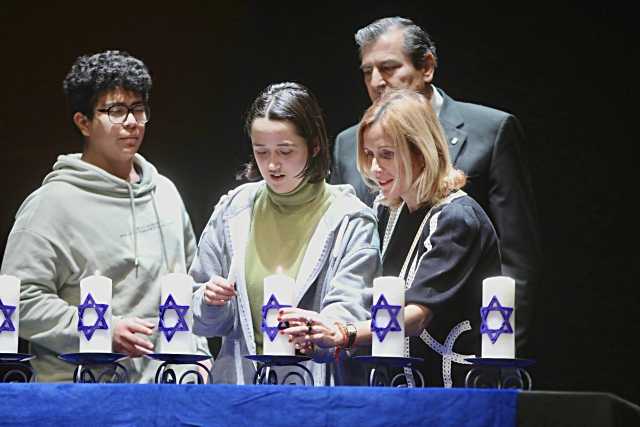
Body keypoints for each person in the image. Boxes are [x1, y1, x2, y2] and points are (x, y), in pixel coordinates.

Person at [330, 17, 540, 356]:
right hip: (380, 347)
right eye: (367, 71)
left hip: (455, 344)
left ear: (426, 66)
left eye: (388, 67)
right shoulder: (349, 145)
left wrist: (502, 356)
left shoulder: (491, 133)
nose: (376, 81)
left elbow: (515, 258)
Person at [0, 50, 209, 382]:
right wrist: (99, 327)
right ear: (83, 122)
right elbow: (19, 299)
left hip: (166, 389)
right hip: (81, 392)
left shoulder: (166, 194)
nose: (130, 122)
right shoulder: (51, 204)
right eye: (115, 110)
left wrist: (199, 355)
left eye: (138, 110)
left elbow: (192, 284)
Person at [282, 89, 501, 387]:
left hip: (450, 391)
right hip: (397, 388)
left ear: (421, 151)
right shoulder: (388, 212)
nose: (374, 169)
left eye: (386, 154)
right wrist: (321, 333)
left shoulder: (456, 218)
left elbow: (415, 316)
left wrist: (342, 333)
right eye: (370, 155)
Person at [189, 82, 380, 385]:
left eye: (285, 151)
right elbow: (199, 317)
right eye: (261, 151)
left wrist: (317, 335)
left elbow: (348, 314)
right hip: (240, 392)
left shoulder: (350, 218)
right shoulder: (234, 209)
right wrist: (210, 301)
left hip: (315, 393)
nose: (272, 164)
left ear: (314, 145)